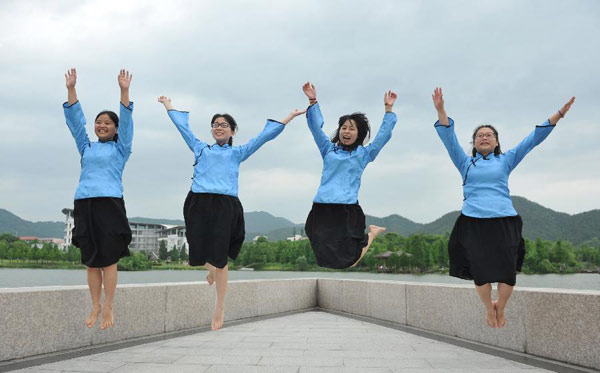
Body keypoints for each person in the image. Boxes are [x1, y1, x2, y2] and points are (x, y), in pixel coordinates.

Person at [432, 87, 575, 328]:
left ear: (497, 141)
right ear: (474, 143)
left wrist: (559, 114)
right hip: (473, 222)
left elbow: (533, 139)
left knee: (508, 271)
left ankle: (502, 307)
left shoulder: (506, 160)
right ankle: (489, 308)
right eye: (479, 135)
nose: (484, 137)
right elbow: (448, 137)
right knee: (480, 271)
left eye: (489, 135)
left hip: (505, 220)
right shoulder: (464, 162)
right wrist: (440, 109)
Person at [158, 95, 305, 330]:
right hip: (198, 202)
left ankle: (219, 307)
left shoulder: (238, 153)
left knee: (221, 258)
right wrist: (168, 105)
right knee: (197, 249)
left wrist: (289, 117)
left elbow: (264, 137)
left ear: (232, 132)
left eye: (224, 124)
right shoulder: (200, 148)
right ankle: (211, 271)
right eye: (215, 124)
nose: (218, 127)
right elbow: (181, 127)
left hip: (225, 205)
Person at [63, 68, 134, 330]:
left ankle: (109, 305)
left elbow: (127, 123)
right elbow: (74, 123)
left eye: (107, 122)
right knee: (91, 260)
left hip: (110, 204)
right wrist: (71, 89)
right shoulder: (86, 147)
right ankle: (95, 303)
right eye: (98, 122)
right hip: (84, 203)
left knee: (108, 259)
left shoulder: (121, 148)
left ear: (114, 128)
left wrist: (124, 91)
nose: (101, 125)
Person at [301, 82, 397, 269]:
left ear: (359, 133)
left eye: (352, 128)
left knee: (349, 261)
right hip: (321, 208)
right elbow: (315, 128)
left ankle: (372, 234)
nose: (346, 131)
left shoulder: (364, 154)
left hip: (346, 209)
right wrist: (312, 101)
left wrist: (388, 109)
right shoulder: (328, 149)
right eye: (344, 127)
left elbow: (383, 136)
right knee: (322, 255)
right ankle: (371, 234)